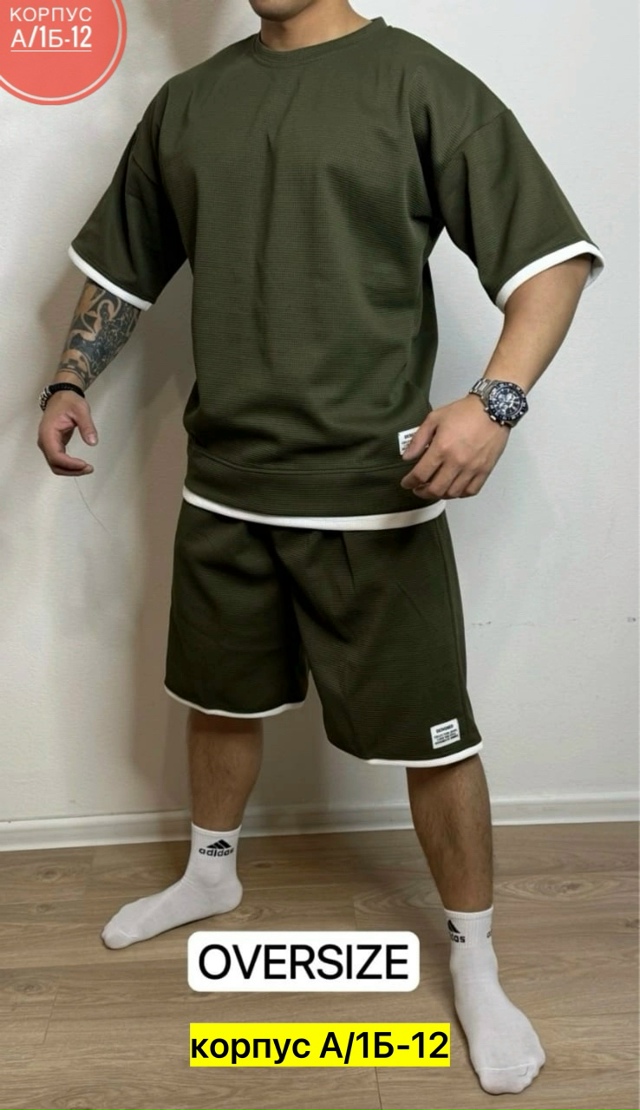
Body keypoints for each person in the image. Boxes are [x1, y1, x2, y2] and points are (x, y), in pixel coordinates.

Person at [37, 0, 604, 1095]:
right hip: (226, 484)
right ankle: (211, 875)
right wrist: (69, 378)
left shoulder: (419, 83)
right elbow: (121, 267)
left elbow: (552, 261)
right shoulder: (188, 105)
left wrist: (494, 402)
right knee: (220, 698)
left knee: (434, 739)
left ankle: (475, 959)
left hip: (372, 495)